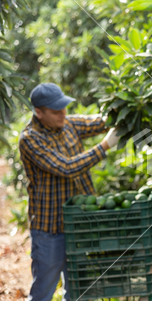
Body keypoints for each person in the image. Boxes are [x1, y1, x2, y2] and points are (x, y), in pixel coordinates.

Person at [19, 83, 121, 301]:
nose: (63, 114)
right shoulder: (30, 138)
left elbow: (101, 121)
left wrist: (124, 111)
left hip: (78, 225)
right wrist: (104, 146)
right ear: (39, 112)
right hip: (49, 228)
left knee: (79, 291)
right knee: (43, 292)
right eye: (56, 111)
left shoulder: (68, 123)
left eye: (64, 108)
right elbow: (66, 167)